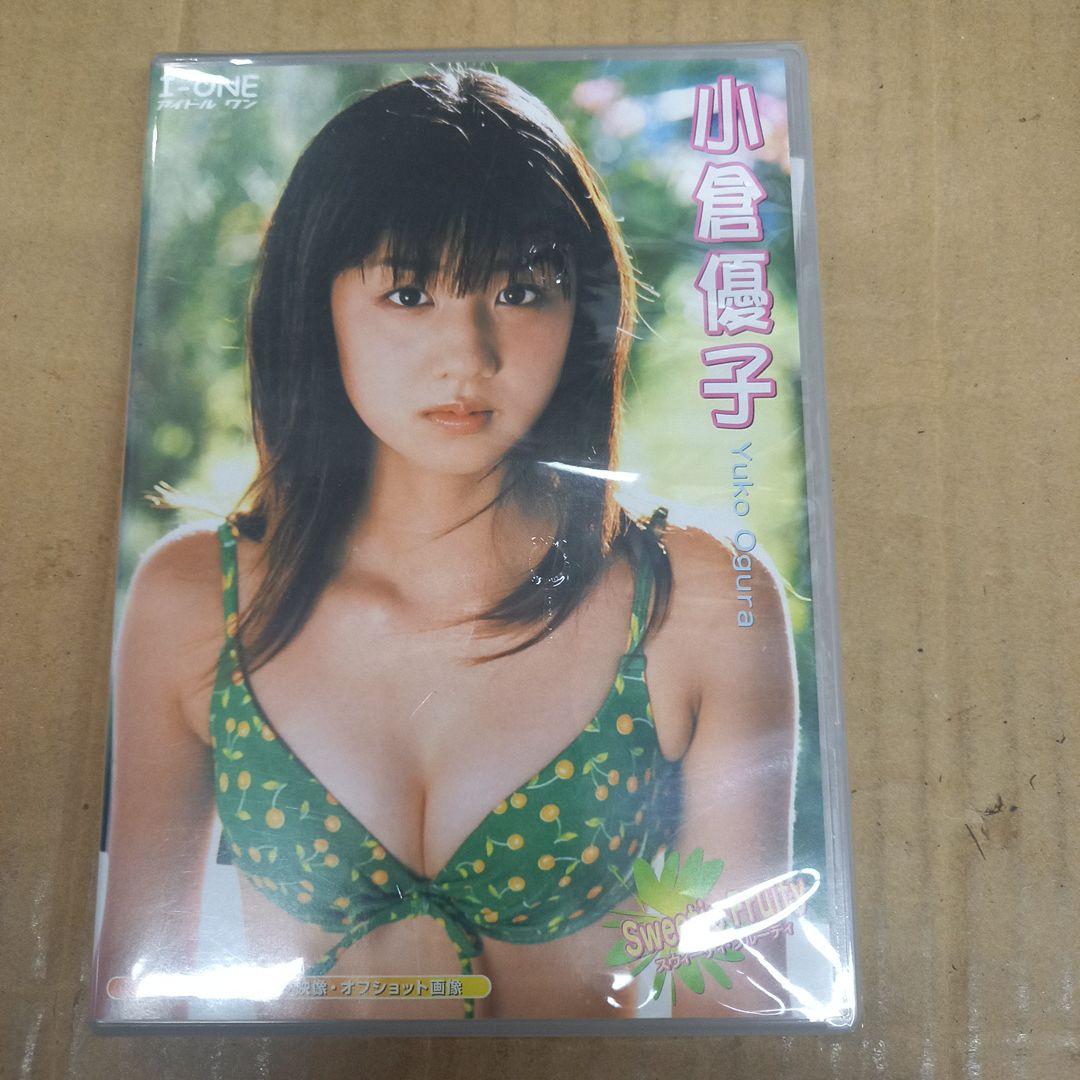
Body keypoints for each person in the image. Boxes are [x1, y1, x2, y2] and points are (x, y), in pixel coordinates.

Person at [93, 66, 798, 1023]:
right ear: (316, 304)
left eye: (520, 290)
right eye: (409, 292)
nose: (468, 355)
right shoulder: (192, 600)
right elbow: (136, 1014)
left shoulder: (699, 603)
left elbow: (745, 1033)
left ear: (583, 314)